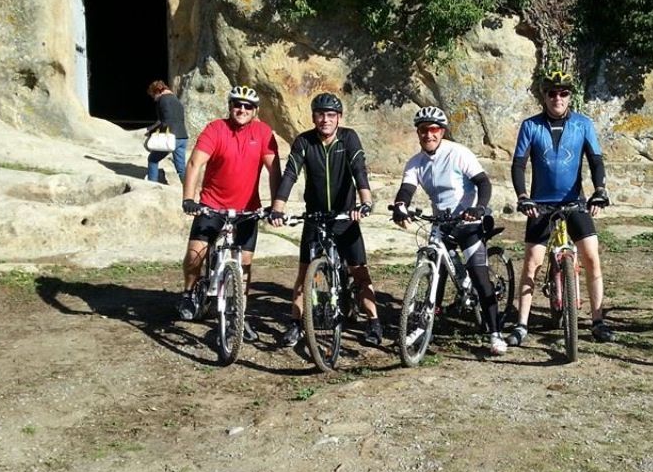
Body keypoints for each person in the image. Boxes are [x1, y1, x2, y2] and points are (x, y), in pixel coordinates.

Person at [508, 69, 614, 346]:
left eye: (563, 93)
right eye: (552, 92)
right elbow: (519, 163)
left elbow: (596, 160)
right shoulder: (530, 125)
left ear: (570, 96)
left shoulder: (583, 124)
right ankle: (521, 325)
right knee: (532, 262)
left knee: (591, 257)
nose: (558, 97)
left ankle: (598, 321)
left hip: (574, 201)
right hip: (540, 204)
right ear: (543, 95)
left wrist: (599, 191)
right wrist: (522, 196)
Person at [392, 106, 508, 357]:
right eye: (423, 130)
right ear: (418, 132)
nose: (428, 135)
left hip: (468, 222)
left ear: (442, 132)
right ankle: (426, 323)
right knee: (435, 268)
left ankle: (495, 333)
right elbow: (406, 190)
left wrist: (478, 207)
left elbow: (483, 182)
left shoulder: (458, 153)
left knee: (479, 277)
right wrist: (400, 207)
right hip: (441, 223)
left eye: (434, 129)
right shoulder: (416, 163)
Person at [268, 92, 383, 347]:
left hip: (345, 216)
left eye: (331, 115)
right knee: (303, 274)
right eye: (320, 114)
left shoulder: (348, 138)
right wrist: (278, 208)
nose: (325, 120)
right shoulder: (304, 142)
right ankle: (296, 324)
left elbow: (359, 171)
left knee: (360, 273)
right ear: (313, 117)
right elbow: (289, 175)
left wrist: (365, 202)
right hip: (315, 217)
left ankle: (374, 322)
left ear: (339, 118)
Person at [177, 85, 280, 343]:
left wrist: (275, 204)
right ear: (230, 106)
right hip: (211, 205)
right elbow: (195, 163)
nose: (241, 109)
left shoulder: (264, 133)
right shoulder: (215, 129)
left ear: (255, 111)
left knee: (244, 262)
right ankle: (189, 292)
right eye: (237, 104)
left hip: (247, 209)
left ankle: (239, 315)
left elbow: (274, 170)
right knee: (194, 254)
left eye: (247, 106)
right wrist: (188, 199)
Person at [145, 80, 189, 184]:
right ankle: (188, 190)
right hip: (183, 136)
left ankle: (152, 185)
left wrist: (150, 130)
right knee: (181, 168)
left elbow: (164, 121)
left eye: (153, 95)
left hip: (171, 138)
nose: (153, 99)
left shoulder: (163, 100)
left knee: (152, 159)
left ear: (157, 92)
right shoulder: (176, 99)